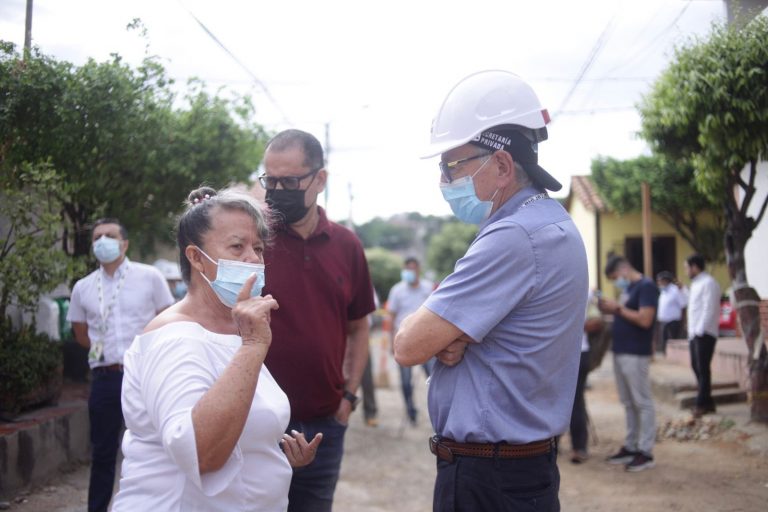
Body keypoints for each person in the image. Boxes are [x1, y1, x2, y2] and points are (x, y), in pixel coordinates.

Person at [394, 70, 588, 511]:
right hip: (520, 471)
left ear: (501, 165)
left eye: (453, 166)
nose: (444, 180)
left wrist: (447, 334)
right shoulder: (550, 222)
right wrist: (454, 333)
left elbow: (408, 345)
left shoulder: (514, 236)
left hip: (489, 477)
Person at [111, 187, 321, 511]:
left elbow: (236, 427)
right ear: (196, 258)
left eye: (258, 248)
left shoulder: (235, 331)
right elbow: (200, 453)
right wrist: (254, 345)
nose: (253, 259)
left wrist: (272, 456)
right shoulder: (175, 338)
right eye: (237, 246)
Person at [259, 129, 376, 511]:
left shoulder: (347, 246)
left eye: (290, 182)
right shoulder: (254, 242)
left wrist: (349, 397)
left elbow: (359, 327)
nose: (278, 191)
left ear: (320, 179)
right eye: (270, 181)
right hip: (258, 424)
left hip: (325, 424)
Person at [67, 218, 175, 512]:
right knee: (102, 452)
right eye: (97, 237)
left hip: (145, 375)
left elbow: (169, 319)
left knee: (154, 447)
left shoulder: (150, 277)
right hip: (106, 377)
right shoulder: (83, 287)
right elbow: (80, 333)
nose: (103, 241)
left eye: (110, 235)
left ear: (124, 243)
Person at [598, 255, 659, 472]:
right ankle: (632, 445)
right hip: (621, 351)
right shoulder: (630, 289)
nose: (616, 282)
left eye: (615, 277)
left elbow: (645, 319)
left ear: (624, 269)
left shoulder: (646, 287)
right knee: (628, 402)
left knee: (642, 401)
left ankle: (646, 450)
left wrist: (617, 308)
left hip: (635, 352)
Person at [386, 257, 435, 425]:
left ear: (418, 269)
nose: (410, 272)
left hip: (427, 342)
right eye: (407, 269)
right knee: (406, 382)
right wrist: (391, 342)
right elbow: (391, 317)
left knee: (434, 380)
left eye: (413, 268)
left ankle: (437, 413)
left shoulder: (428, 288)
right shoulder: (397, 290)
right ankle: (410, 411)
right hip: (404, 342)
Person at [684, 254, 722, 417]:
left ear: (694, 267)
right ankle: (708, 402)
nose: (686, 271)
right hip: (694, 333)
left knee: (702, 368)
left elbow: (709, 308)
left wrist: (700, 330)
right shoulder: (695, 284)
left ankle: (700, 404)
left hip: (705, 332)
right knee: (696, 366)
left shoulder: (709, 283)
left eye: (687, 267)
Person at [570, 291, 604, 464]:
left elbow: (597, 322)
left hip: (577, 353)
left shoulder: (585, 293)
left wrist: (572, 324)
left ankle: (579, 447)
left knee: (575, 401)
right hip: (560, 354)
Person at [656, 270, 687, 355]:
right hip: (663, 321)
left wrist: (684, 321)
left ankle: (675, 356)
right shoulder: (663, 291)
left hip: (673, 321)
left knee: (673, 341)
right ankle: (665, 356)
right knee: (664, 341)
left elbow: (683, 305)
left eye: (660, 281)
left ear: (666, 280)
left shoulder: (675, 290)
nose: (658, 283)